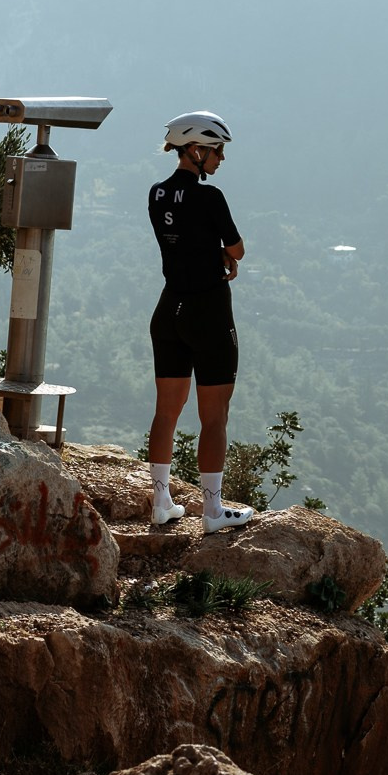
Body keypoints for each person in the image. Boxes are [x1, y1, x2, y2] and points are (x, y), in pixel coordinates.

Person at [145, 111, 255, 534]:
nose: (221, 158)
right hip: (207, 310)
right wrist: (225, 256)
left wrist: (213, 253)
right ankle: (212, 511)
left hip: (168, 308)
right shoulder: (211, 197)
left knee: (166, 412)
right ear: (196, 150)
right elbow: (238, 249)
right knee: (214, 416)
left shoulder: (156, 194)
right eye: (217, 150)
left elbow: (183, 240)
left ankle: (161, 502)